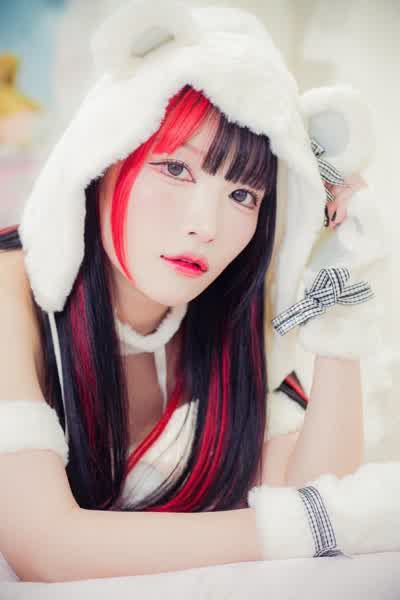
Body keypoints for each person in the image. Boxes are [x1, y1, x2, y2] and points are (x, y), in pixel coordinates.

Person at [0, 0, 398, 584]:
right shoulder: (11, 289)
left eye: (243, 195)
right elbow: (44, 547)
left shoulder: (229, 311)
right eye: (175, 169)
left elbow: (319, 492)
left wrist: (337, 293)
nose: (205, 226)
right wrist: (312, 526)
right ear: (104, 158)